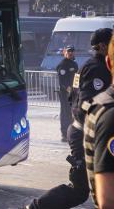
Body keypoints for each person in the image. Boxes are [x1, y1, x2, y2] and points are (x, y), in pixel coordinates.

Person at [27, 28, 112, 209]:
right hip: (85, 135)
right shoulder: (95, 68)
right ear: (104, 46)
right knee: (80, 191)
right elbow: (85, 106)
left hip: (92, 133)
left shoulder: (98, 66)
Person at [82, 34, 114, 208]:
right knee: (78, 191)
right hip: (87, 130)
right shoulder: (110, 116)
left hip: (87, 128)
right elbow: (108, 200)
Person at [57, 46, 79, 142]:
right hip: (65, 93)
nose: (70, 53)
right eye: (68, 51)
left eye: (72, 51)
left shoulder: (74, 64)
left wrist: (77, 88)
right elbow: (62, 81)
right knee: (65, 113)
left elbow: (77, 78)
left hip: (74, 92)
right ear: (64, 52)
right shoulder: (62, 64)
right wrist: (68, 89)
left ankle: (72, 133)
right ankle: (64, 134)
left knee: (73, 112)